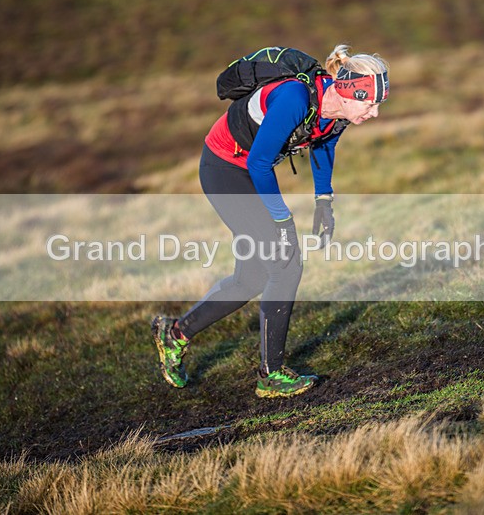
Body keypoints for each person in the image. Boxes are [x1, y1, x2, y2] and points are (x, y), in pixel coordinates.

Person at [152, 44, 389, 398]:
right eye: (369, 103)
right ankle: (271, 375)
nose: (374, 113)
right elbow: (259, 164)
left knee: (251, 277)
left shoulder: (337, 112)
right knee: (286, 265)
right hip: (224, 169)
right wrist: (281, 219)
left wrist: (324, 201)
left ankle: (174, 335)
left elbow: (324, 144)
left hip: (247, 169)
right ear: (346, 90)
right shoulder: (296, 97)